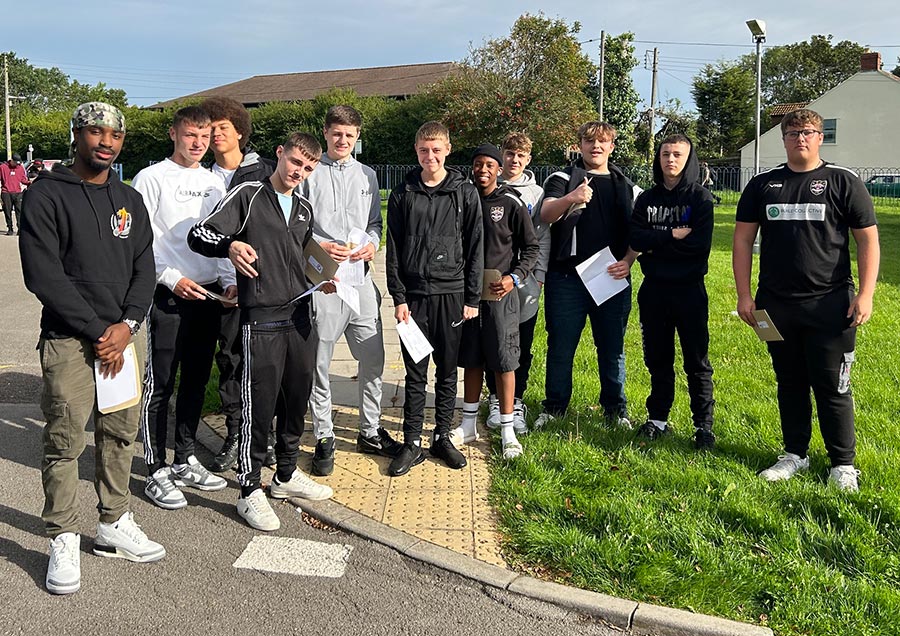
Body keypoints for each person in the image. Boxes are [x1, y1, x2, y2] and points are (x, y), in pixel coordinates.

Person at [20, 102, 165, 595]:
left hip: (123, 339)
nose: (107, 142)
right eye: (96, 132)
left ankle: (112, 523)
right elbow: (43, 276)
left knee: (120, 433)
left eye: (116, 135)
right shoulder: (45, 196)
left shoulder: (130, 199)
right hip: (69, 341)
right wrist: (97, 331)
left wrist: (126, 325)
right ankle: (61, 535)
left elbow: (145, 265)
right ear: (77, 134)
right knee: (64, 441)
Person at [188, 132, 333, 531]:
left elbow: (301, 258)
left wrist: (326, 272)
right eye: (294, 163)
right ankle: (249, 489)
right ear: (279, 154)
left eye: (307, 168)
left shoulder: (303, 207)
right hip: (262, 318)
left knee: (295, 400)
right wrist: (231, 246)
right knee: (260, 404)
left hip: (301, 317)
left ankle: (285, 476)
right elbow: (199, 235)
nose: (298, 172)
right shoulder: (248, 194)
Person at [734, 108, 880, 492]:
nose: (801, 138)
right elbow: (743, 240)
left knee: (833, 385)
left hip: (831, 305)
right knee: (789, 380)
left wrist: (865, 295)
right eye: (794, 132)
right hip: (774, 306)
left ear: (820, 138)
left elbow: (868, 240)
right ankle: (794, 453)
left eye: (809, 132)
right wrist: (745, 295)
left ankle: (842, 465)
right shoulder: (762, 185)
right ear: (783, 138)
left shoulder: (843, 181)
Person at [132, 106, 232, 510]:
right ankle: (155, 467)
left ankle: (185, 457)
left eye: (205, 137)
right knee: (161, 383)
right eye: (191, 135)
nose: (197, 143)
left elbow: (223, 237)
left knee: (194, 380)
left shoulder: (213, 183)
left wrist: (226, 279)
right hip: (169, 293)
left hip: (207, 294)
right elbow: (140, 244)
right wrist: (172, 279)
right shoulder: (151, 178)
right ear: (173, 133)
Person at [302, 105, 402, 476]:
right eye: (336, 133)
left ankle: (370, 429)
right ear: (326, 133)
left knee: (373, 358)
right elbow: (298, 225)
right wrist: (317, 244)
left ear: (358, 137)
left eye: (350, 135)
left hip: (359, 281)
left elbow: (375, 222)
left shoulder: (368, 175)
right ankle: (324, 435)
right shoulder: (309, 173)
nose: (343, 140)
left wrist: (373, 244)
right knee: (320, 364)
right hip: (325, 283)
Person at [385, 121, 483, 476]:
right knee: (415, 373)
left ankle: (441, 436)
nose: (430, 156)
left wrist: (472, 297)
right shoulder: (402, 193)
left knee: (446, 371)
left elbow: (476, 247)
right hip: (413, 298)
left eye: (436, 150)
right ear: (416, 151)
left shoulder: (464, 192)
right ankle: (411, 442)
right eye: (424, 150)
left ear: (448, 150)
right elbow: (392, 250)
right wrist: (398, 296)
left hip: (453, 295)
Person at [534, 121, 640, 429]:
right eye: (589, 141)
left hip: (611, 276)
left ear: (611, 147)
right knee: (561, 347)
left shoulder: (627, 186)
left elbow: (642, 230)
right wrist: (572, 198)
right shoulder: (563, 178)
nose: (596, 146)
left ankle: (615, 411)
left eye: (602, 142)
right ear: (579, 145)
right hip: (567, 278)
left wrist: (629, 260)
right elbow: (546, 213)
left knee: (612, 349)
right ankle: (554, 407)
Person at [200, 96, 276, 473]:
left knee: (263, 366)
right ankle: (235, 433)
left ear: (240, 132)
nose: (214, 135)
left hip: (261, 286)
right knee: (229, 361)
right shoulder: (202, 176)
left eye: (222, 128)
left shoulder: (266, 172)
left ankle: (264, 436)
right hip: (219, 287)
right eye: (210, 128)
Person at [454, 143, 539, 459]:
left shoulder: (511, 203)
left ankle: (507, 430)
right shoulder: (462, 199)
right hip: (468, 295)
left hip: (500, 295)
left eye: (489, 164)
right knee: (473, 358)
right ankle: (467, 424)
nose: (483, 169)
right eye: (478, 164)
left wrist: (514, 277)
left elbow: (531, 248)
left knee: (504, 361)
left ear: (498, 169)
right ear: (472, 167)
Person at [630, 134, 715, 448]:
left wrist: (655, 243)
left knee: (697, 361)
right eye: (666, 154)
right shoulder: (646, 199)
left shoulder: (700, 199)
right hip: (654, 291)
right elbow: (636, 239)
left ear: (688, 158)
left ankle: (703, 427)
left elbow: (698, 247)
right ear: (658, 158)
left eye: (678, 154)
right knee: (657, 359)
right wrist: (670, 236)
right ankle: (657, 419)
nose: (671, 160)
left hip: (689, 290)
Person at [480, 132, 549, 433]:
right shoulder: (485, 189)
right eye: (510, 154)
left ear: (528, 159)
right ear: (502, 157)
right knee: (491, 338)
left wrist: (539, 275)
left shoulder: (536, 194)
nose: (515, 160)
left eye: (521, 155)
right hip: (492, 280)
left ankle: (516, 399)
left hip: (525, 279)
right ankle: (495, 398)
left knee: (521, 339)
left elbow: (541, 238)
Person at [1, 153, 31, 235]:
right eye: (15, 163)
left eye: (18, 163)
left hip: (17, 193)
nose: (17, 165)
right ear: (12, 161)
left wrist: (29, 183)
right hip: (6, 192)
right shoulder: (3, 167)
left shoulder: (20, 168)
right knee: (7, 211)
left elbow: (23, 179)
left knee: (19, 211)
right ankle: (10, 228)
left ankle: (20, 229)